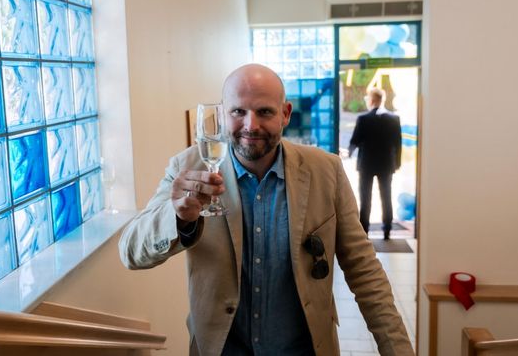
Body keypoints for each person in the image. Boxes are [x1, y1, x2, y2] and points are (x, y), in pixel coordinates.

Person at [119, 64, 413, 356]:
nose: (251, 126)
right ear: (222, 114)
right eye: (238, 111)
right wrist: (178, 217)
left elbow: (365, 270)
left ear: (285, 113)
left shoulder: (327, 171)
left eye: (264, 112)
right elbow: (130, 252)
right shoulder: (187, 168)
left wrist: (398, 350)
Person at [349, 87, 402, 240]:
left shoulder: (363, 119)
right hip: (386, 165)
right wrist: (397, 163)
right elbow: (398, 144)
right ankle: (387, 230)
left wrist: (348, 153)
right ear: (382, 100)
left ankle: (364, 231)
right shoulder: (394, 119)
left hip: (366, 165)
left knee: (365, 198)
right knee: (386, 197)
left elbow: (355, 140)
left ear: (371, 100)